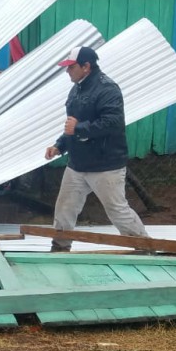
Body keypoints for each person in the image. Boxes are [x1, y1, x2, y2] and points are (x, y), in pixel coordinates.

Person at [44, 45, 148, 252]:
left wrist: (78, 129)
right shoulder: (77, 88)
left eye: (71, 67)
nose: (67, 71)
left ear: (86, 66)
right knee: (65, 208)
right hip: (78, 163)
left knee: (117, 210)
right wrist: (59, 145)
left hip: (105, 164)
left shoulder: (107, 89)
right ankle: (60, 248)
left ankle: (144, 246)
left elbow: (113, 122)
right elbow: (72, 125)